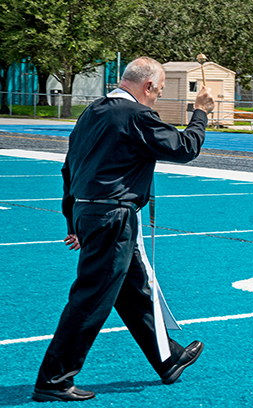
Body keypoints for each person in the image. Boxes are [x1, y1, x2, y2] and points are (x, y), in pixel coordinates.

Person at [32, 56, 216, 402]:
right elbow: (185, 148)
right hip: (113, 217)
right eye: (158, 92)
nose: (157, 98)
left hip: (92, 213)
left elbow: (69, 168)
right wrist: (201, 113)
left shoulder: (92, 112)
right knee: (91, 298)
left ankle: (168, 359)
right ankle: (53, 379)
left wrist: (73, 220)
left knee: (134, 293)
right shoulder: (136, 115)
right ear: (147, 86)